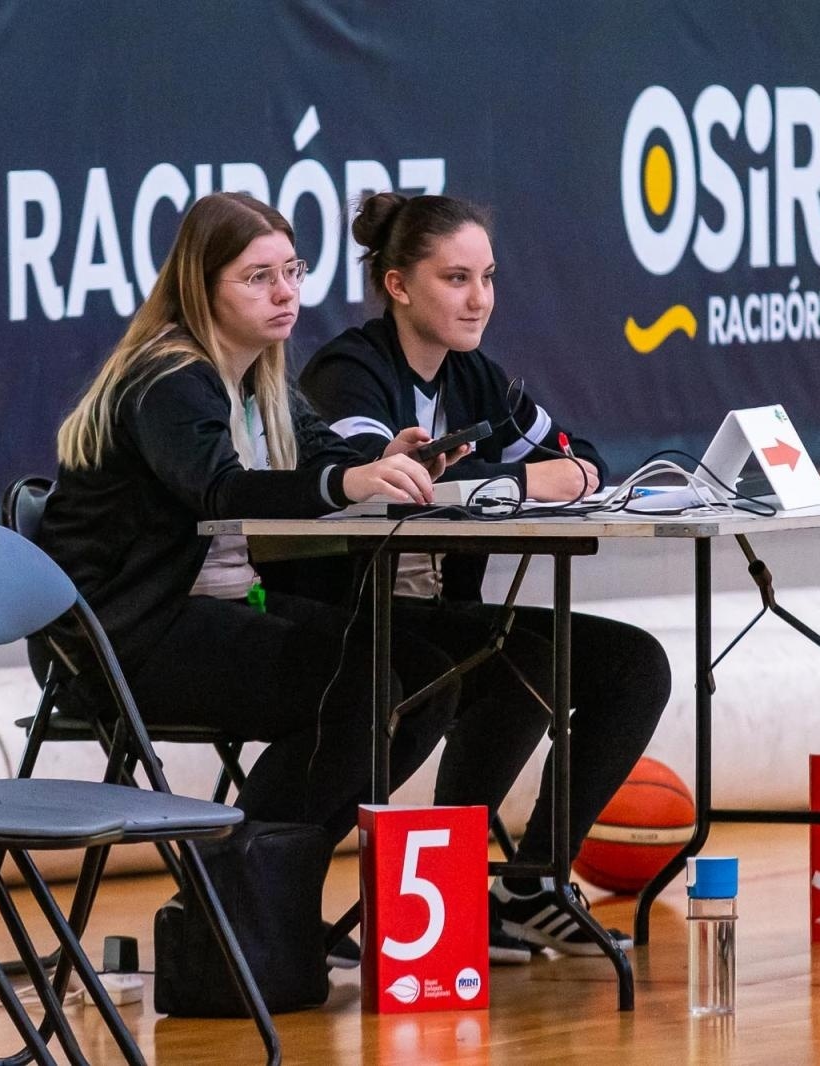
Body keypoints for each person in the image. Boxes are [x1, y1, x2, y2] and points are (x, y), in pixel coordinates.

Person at [34, 192, 459, 890]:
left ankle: (283, 894)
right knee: (360, 687)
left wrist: (388, 459)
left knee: (427, 677)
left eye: (292, 270)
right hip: (123, 638)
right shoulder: (168, 376)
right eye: (258, 277)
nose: (285, 292)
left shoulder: (260, 373)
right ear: (201, 288)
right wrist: (352, 485)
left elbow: (324, 459)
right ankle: (232, 898)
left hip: (215, 611)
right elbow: (222, 493)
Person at [299, 192, 673, 961]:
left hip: (448, 617)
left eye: (489, 278)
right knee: (520, 653)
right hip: (348, 616)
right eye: (456, 279)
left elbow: (583, 456)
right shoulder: (349, 369)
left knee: (636, 664)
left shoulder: (478, 378)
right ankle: (449, 884)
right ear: (399, 286)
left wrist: (556, 470)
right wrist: (528, 480)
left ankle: (531, 882)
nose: (480, 300)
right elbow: (387, 478)